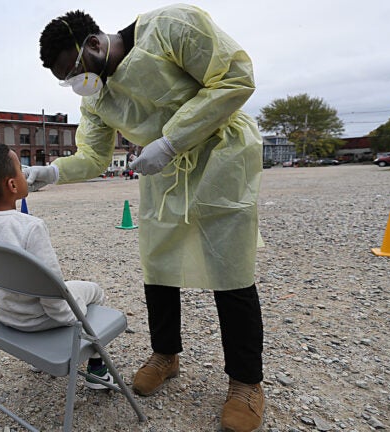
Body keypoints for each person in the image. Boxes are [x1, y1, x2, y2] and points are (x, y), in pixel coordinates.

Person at [35, 6, 265, 431]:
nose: (75, 82)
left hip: (220, 160)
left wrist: (172, 140)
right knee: (158, 265)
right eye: (65, 79)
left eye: (73, 69)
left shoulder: (170, 26)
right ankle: (166, 354)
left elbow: (235, 77)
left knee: (230, 270)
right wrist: (51, 172)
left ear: (94, 44)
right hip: (163, 174)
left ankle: (246, 382)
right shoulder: (98, 96)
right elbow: (93, 156)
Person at [0, 144, 112, 390]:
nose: (27, 172)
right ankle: (98, 369)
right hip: (39, 320)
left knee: (57, 290)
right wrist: (72, 317)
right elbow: (55, 299)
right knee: (94, 291)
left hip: (5, 317)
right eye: (21, 169)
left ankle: (38, 360)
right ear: (12, 185)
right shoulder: (31, 227)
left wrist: (6, 286)